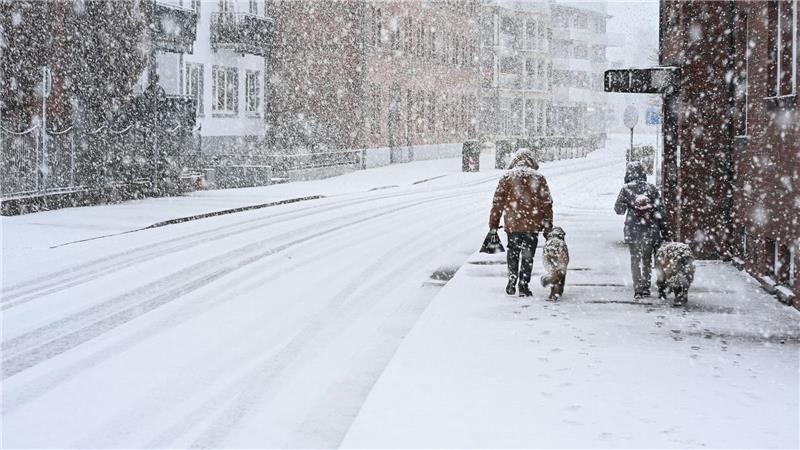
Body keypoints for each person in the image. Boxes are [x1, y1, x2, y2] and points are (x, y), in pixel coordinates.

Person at [489, 149, 553, 297]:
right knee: (528, 255)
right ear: (532, 161)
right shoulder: (538, 178)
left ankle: (512, 277)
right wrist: (548, 225)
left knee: (513, 251)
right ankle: (524, 285)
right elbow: (547, 204)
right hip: (532, 224)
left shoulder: (507, 177)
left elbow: (497, 203)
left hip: (513, 224)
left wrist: (493, 224)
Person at [614, 161, 668, 299]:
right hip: (650, 229)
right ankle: (646, 286)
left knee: (635, 259)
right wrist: (664, 229)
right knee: (647, 259)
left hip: (633, 229)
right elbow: (660, 210)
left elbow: (619, 210)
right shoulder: (651, 188)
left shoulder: (626, 189)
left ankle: (637, 288)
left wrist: (629, 204)